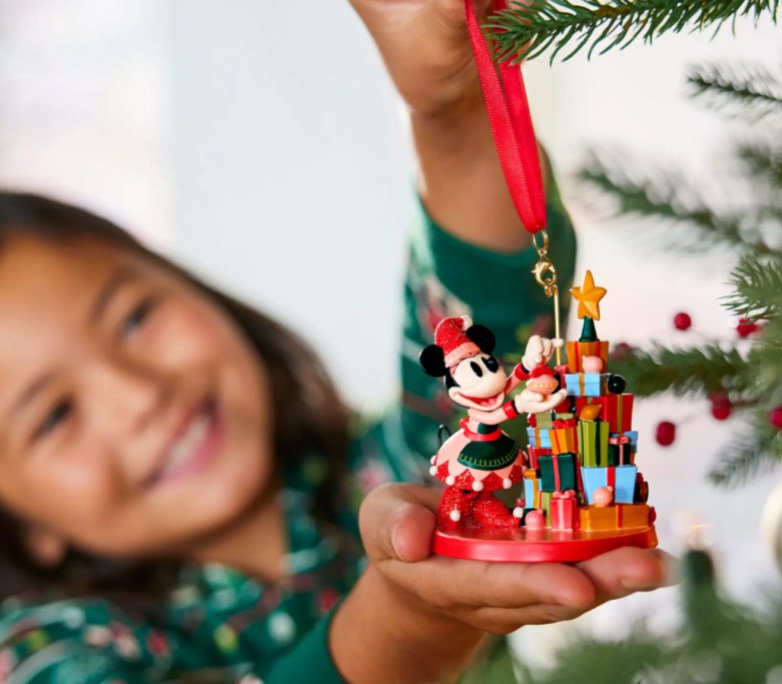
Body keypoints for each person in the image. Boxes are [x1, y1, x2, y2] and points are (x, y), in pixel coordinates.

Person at [0, 1, 675, 682]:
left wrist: (454, 113)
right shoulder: (45, 654)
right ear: (24, 525)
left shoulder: (396, 475)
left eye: (133, 318)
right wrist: (409, 623)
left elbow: (490, 319)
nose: (138, 396)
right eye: (53, 416)